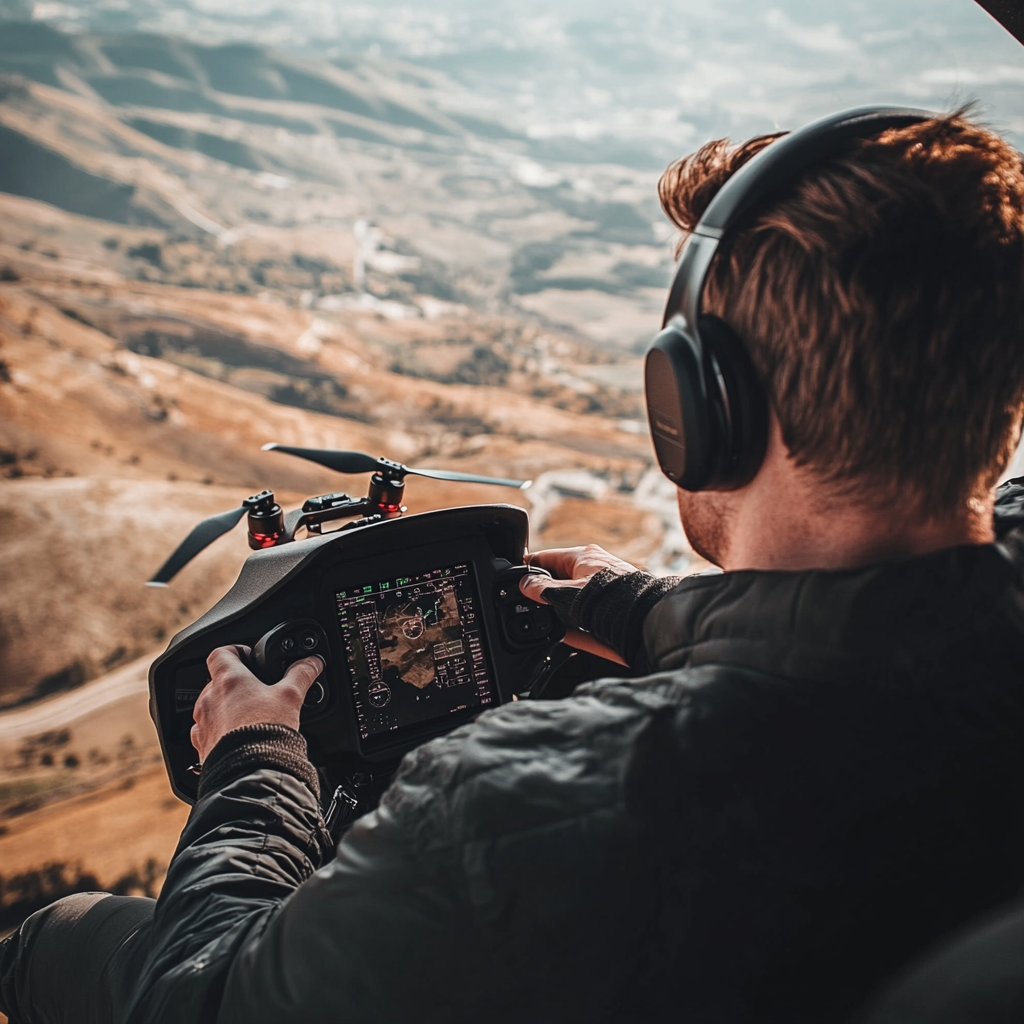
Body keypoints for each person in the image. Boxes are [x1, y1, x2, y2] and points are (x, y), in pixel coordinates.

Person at [5, 106, 1024, 1024]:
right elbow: (874, 625)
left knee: (62, 938)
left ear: (704, 411)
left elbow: (208, 1002)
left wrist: (255, 761)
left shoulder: (528, 818)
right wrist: (638, 608)